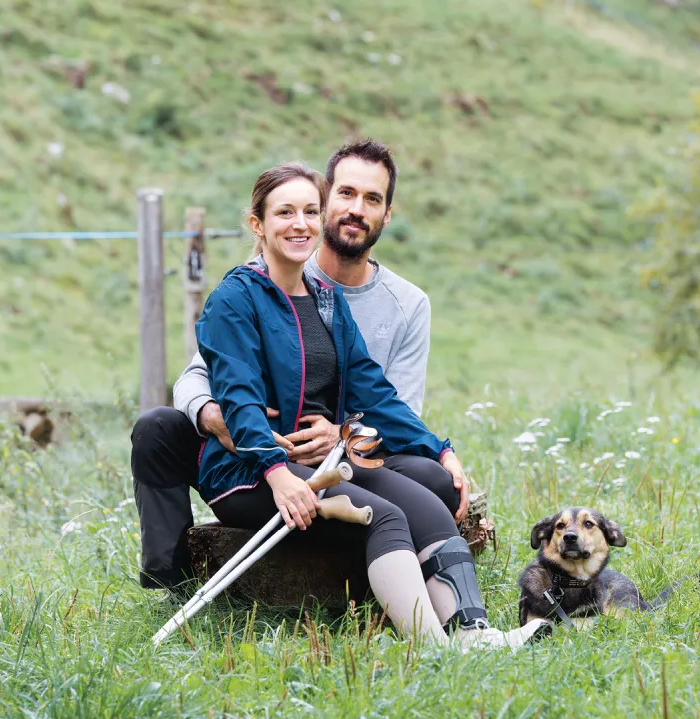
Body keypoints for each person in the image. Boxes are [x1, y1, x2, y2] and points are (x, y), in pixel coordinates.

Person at [188, 161, 549, 649]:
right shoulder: (236, 298)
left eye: (310, 211)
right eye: (285, 212)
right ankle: (434, 650)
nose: (300, 224)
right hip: (249, 474)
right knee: (385, 516)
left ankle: (473, 633)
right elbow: (238, 399)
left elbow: (375, 395)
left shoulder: (326, 301)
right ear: (258, 224)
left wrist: (440, 450)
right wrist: (277, 475)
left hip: (322, 463)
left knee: (426, 507)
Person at [132, 140, 467, 589]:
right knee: (157, 426)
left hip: (349, 451)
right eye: (346, 194)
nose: (356, 209)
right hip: (257, 446)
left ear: (387, 213)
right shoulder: (252, 288)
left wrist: (353, 437)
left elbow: (391, 404)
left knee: (433, 483)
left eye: (372, 199)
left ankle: (449, 618)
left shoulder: (394, 305)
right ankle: (172, 578)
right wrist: (225, 423)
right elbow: (208, 377)